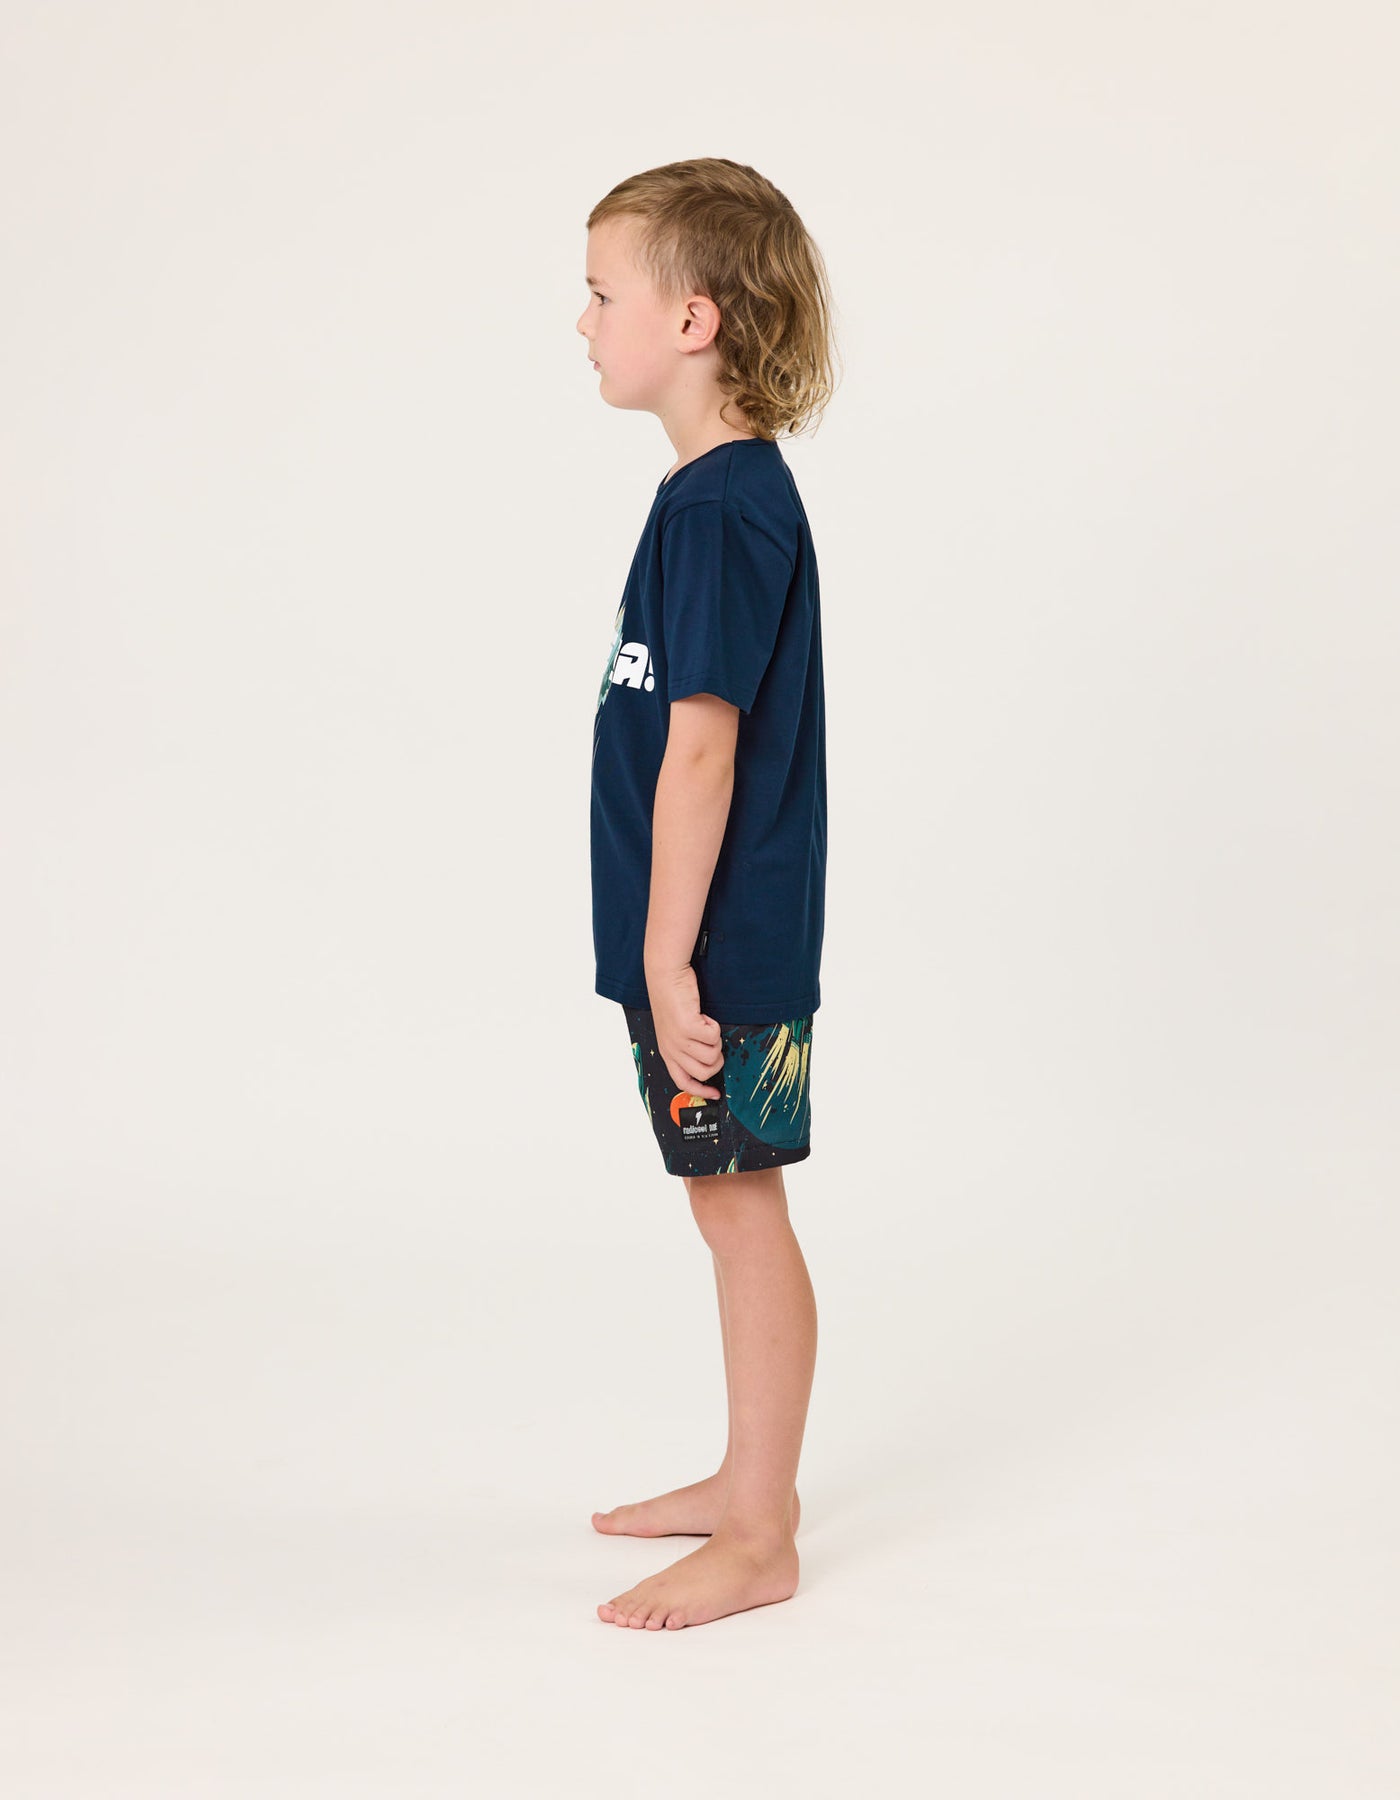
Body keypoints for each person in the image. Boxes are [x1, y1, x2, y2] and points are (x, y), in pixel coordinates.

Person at [579, 158, 836, 1630]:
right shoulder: (705, 499)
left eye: (602, 293)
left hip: (718, 948)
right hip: (697, 943)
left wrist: (669, 958)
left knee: (742, 1215)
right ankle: (748, 1484)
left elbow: (703, 744)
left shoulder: (726, 510)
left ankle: (758, 1533)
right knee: (724, 1206)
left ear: (693, 318)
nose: (583, 322)